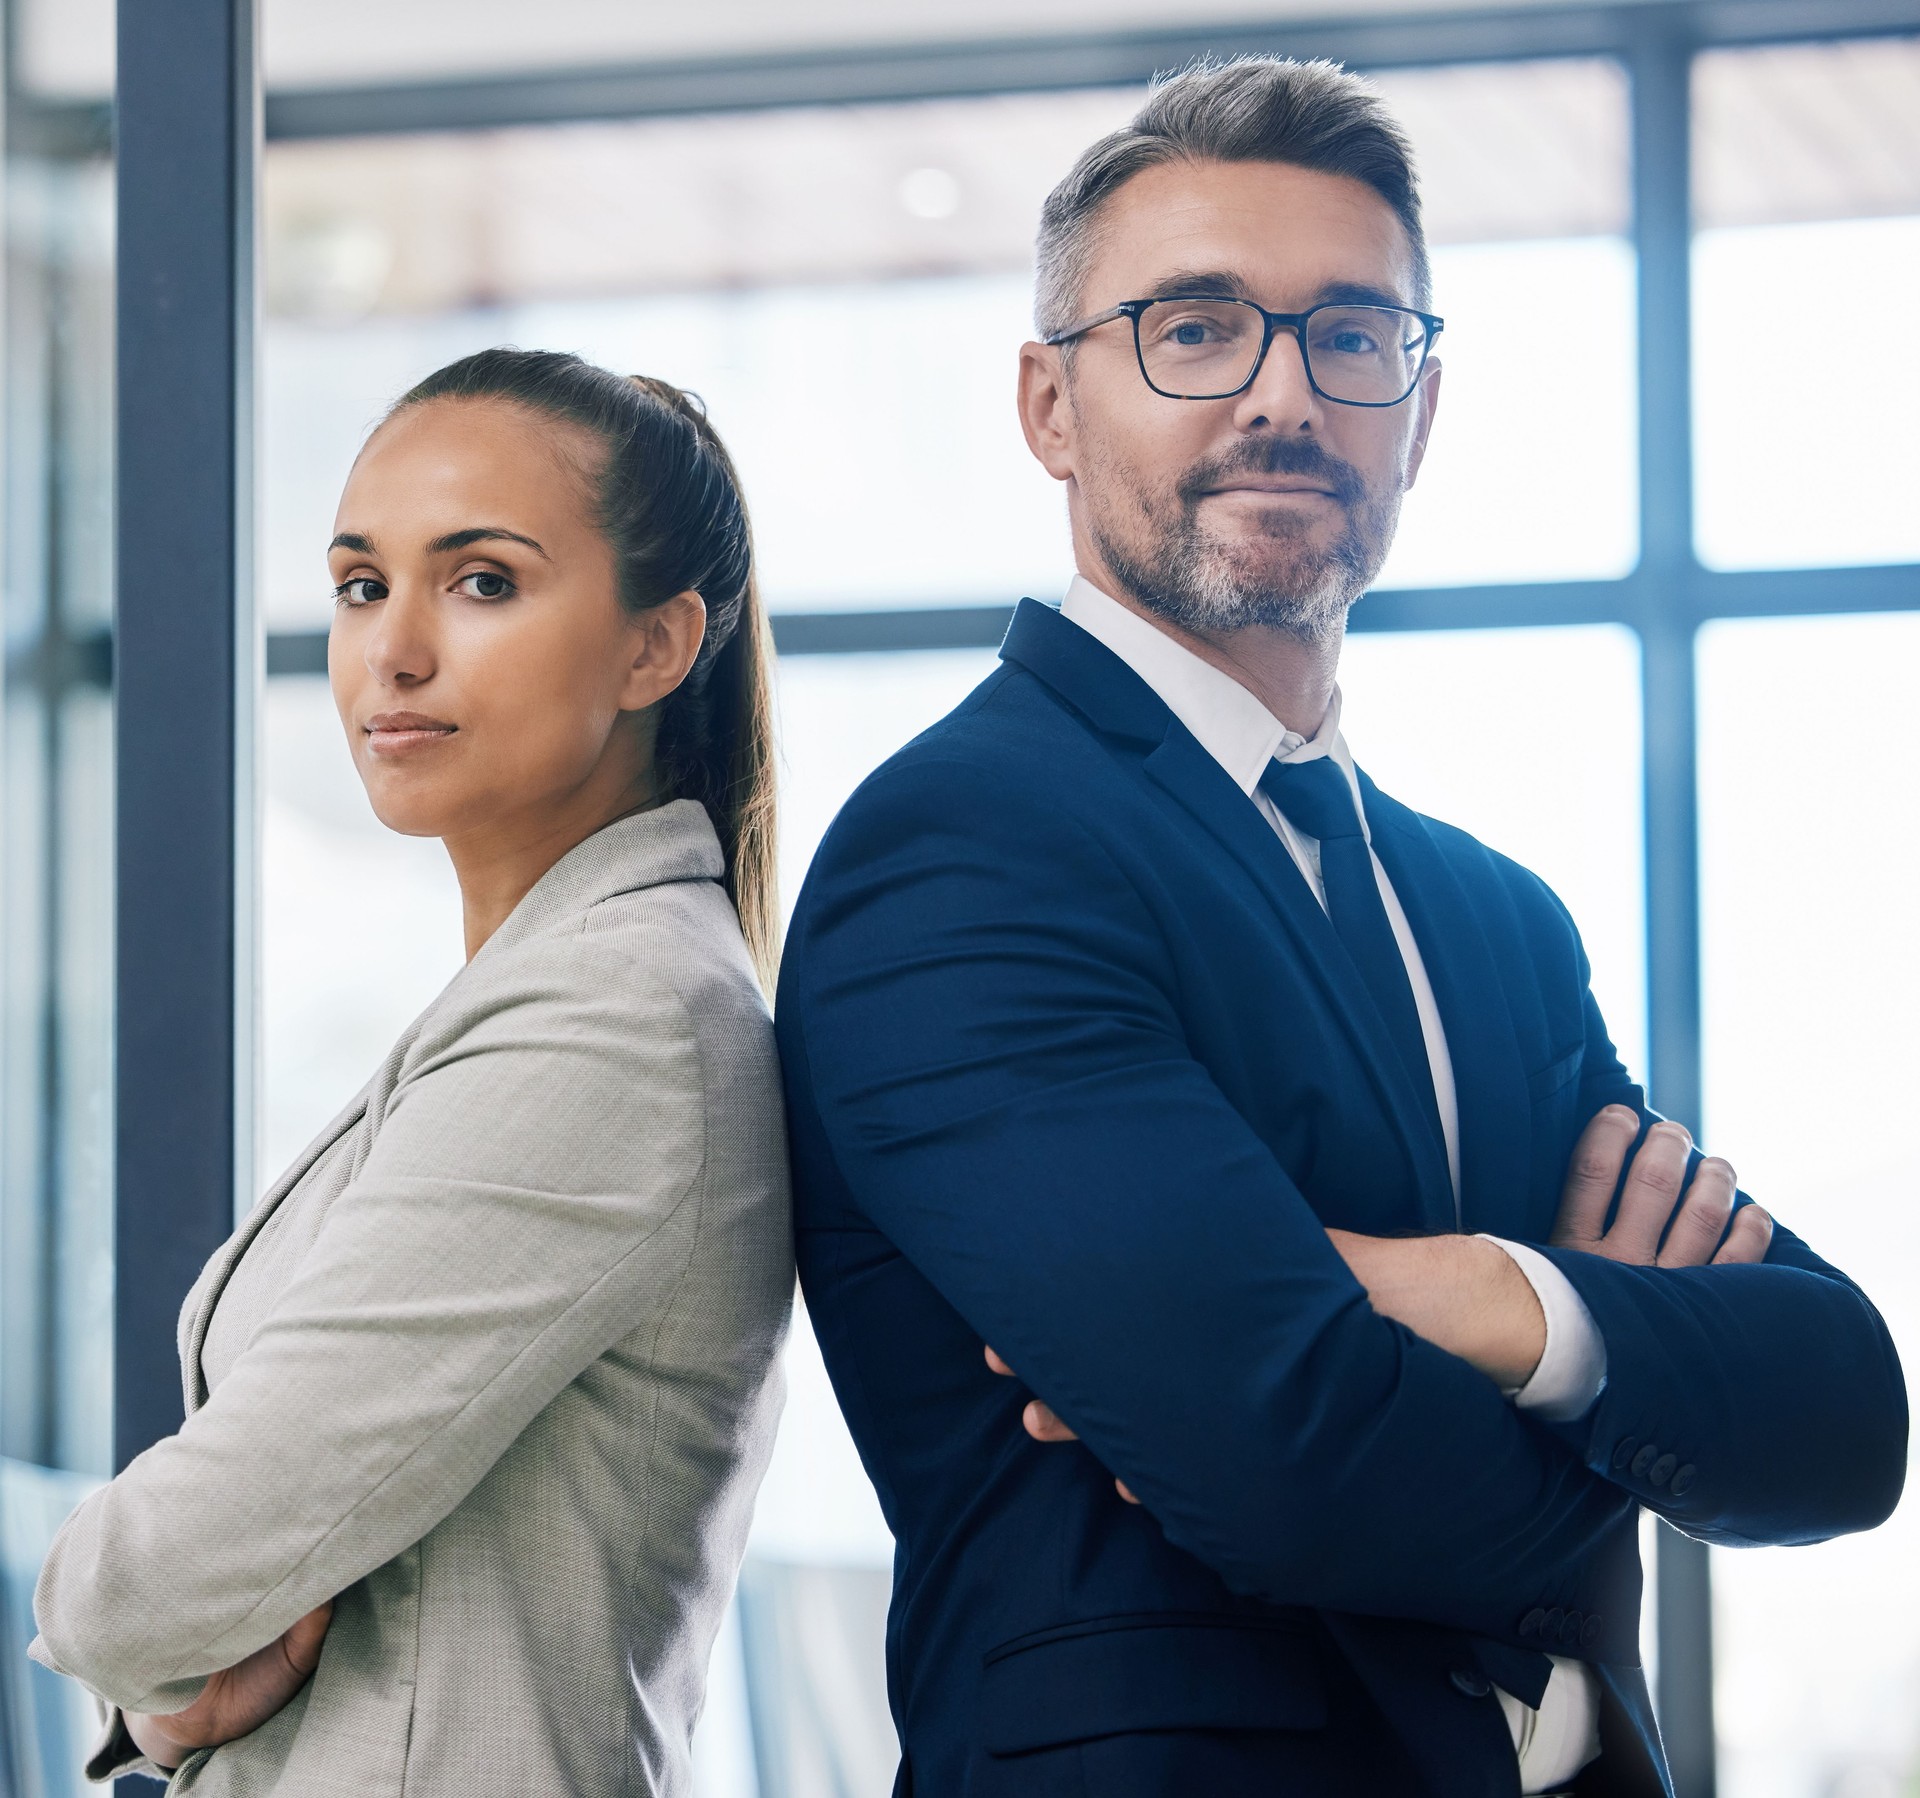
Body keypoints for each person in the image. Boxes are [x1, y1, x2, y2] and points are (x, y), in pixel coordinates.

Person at [775, 57, 1907, 1798]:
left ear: (1419, 414)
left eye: (1353, 336)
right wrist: (1618, 1395)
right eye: (1195, 329)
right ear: (1050, 406)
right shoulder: (959, 853)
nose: (1284, 395)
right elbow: (1289, 1458)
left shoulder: (1495, 917)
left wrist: (1486, 1297)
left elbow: (1843, 1416)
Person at [31, 348, 793, 1795]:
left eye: (483, 581)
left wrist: (111, 1616)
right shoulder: (559, 988)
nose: (393, 651)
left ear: (658, 645)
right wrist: (167, 1709)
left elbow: (149, 1580)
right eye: (361, 585)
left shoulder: (610, 1023)